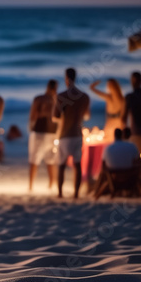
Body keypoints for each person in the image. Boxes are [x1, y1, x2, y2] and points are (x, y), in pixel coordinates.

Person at [54, 67, 90, 199]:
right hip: (77, 133)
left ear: (66, 79)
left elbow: (56, 116)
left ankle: (60, 193)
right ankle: (76, 194)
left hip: (65, 133)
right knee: (77, 165)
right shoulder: (84, 96)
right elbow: (87, 115)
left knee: (61, 165)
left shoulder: (61, 96)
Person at [28, 79, 58, 191]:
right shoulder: (57, 100)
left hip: (39, 131)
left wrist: (30, 127)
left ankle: (30, 185)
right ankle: (51, 184)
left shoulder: (39, 98)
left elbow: (32, 116)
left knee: (34, 160)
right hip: (53, 132)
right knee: (51, 160)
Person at [121, 71, 141, 153]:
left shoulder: (130, 97)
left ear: (133, 80)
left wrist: (123, 133)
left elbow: (123, 118)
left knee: (133, 159)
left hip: (134, 133)